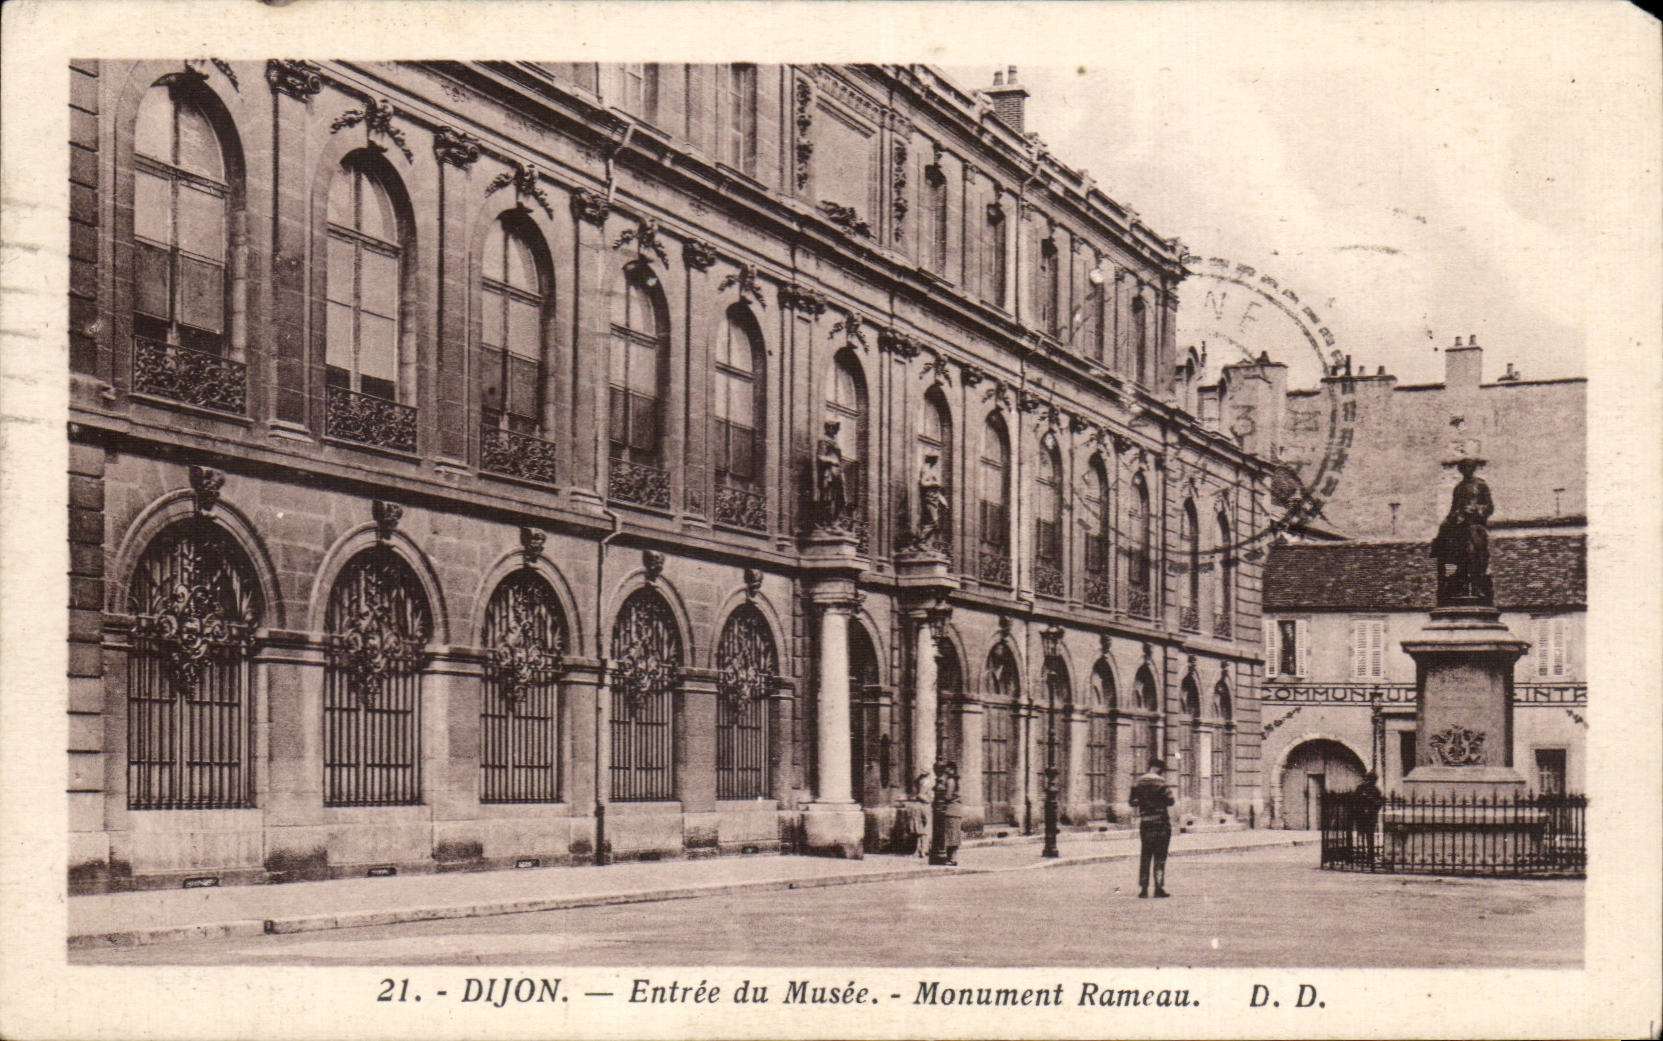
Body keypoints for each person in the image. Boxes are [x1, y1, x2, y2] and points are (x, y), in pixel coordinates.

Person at [1129, 758, 1175, 898]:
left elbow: (1132, 802)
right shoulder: (1161, 783)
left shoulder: (1138, 782)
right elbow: (1170, 801)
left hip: (1145, 822)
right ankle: (1158, 887)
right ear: (1158, 769)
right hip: (1161, 823)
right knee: (1160, 856)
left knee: (1146, 855)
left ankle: (1143, 889)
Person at [815, 420, 847, 530]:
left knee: (841, 498)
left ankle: (835, 521)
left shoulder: (834, 441)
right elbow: (820, 456)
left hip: (837, 472)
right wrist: (832, 461)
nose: (834, 431)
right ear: (828, 428)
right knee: (828, 497)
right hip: (829, 472)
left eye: (835, 429)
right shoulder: (824, 440)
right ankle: (826, 522)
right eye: (833, 428)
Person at [1352, 770, 1384, 866]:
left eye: (1373, 780)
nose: (1371, 781)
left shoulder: (1376, 790)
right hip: (1361, 815)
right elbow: (1355, 800)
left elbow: (1379, 803)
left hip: (1370, 816)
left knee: (1370, 836)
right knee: (1360, 835)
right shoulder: (1361, 788)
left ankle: (1369, 856)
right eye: (1370, 779)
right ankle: (1361, 854)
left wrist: (1372, 802)